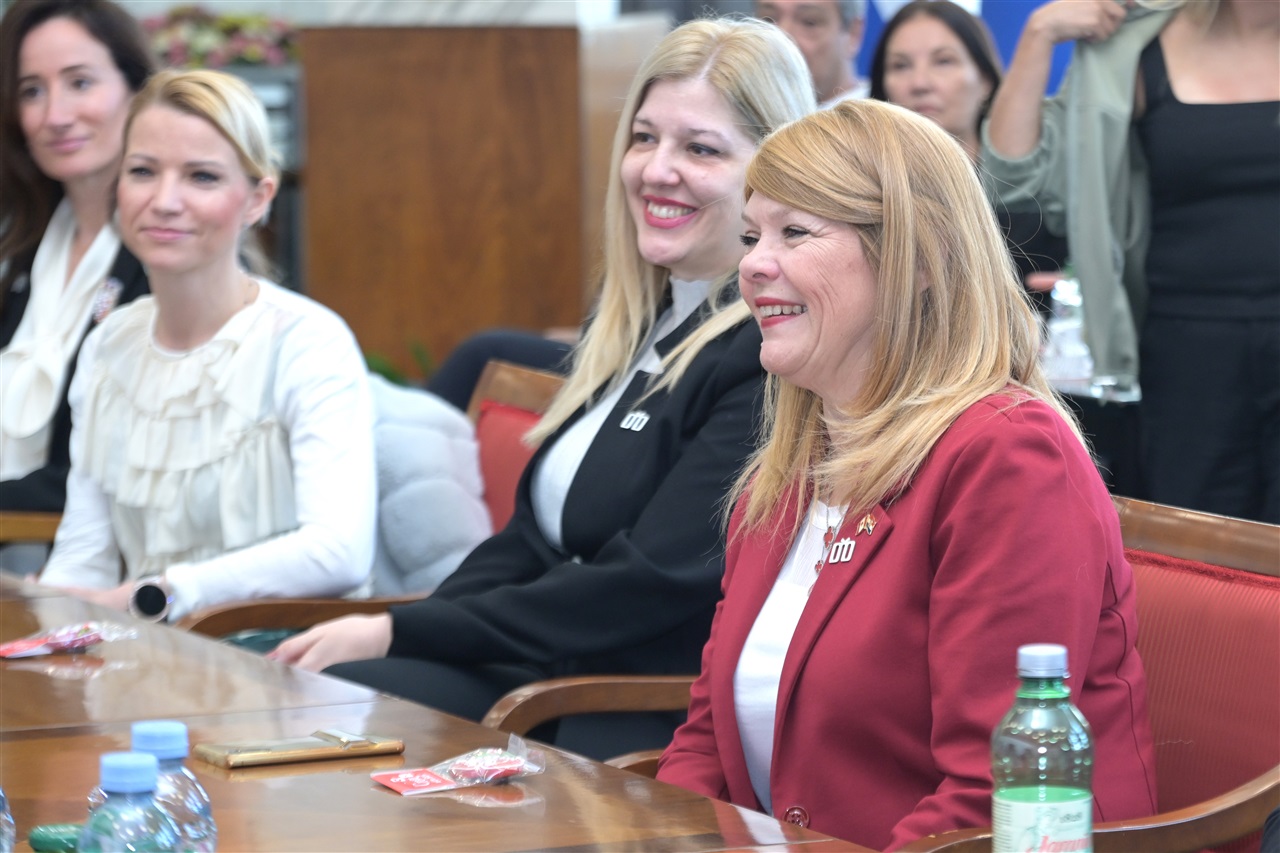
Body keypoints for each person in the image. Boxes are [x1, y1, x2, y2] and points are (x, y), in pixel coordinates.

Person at [270, 17, 816, 760]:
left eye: (700, 149)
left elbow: (644, 585)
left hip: (616, 707)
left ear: (771, 177)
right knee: (299, 695)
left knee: (328, 712)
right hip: (544, 664)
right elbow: (529, 541)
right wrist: (407, 626)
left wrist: (403, 629)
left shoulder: (763, 355)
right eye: (645, 138)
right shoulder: (642, 318)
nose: (657, 169)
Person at [656, 100, 1157, 850]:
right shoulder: (787, 473)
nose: (753, 264)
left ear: (919, 260)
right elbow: (704, 743)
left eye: (795, 232)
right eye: (752, 235)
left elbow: (989, 795)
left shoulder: (1009, 457)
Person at [38, 69, 376, 622]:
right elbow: (84, 554)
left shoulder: (307, 342)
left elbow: (338, 552)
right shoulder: (108, 346)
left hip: (288, 651)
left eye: (201, 177)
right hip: (149, 644)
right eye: (143, 171)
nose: (164, 201)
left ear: (257, 199)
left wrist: (163, 592)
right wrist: (42, 627)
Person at [983, 0, 1279, 522]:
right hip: (1185, 354)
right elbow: (1015, 178)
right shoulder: (1133, 45)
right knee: (1199, 551)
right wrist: (1039, 34)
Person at [0, 0, 154, 515]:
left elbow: (108, 479)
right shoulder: (25, 252)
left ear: (136, 91)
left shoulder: (166, 259)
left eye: (80, 82)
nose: (56, 116)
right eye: (31, 91)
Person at [868, 0, 1067, 302]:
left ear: (984, 80)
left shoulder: (1042, 172)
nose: (920, 83)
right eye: (900, 66)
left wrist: (1075, 287)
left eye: (943, 61)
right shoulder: (867, 191)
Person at [756, 0, 867, 107]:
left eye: (808, 22)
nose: (781, 38)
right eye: (768, 20)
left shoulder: (873, 117)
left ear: (853, 33)